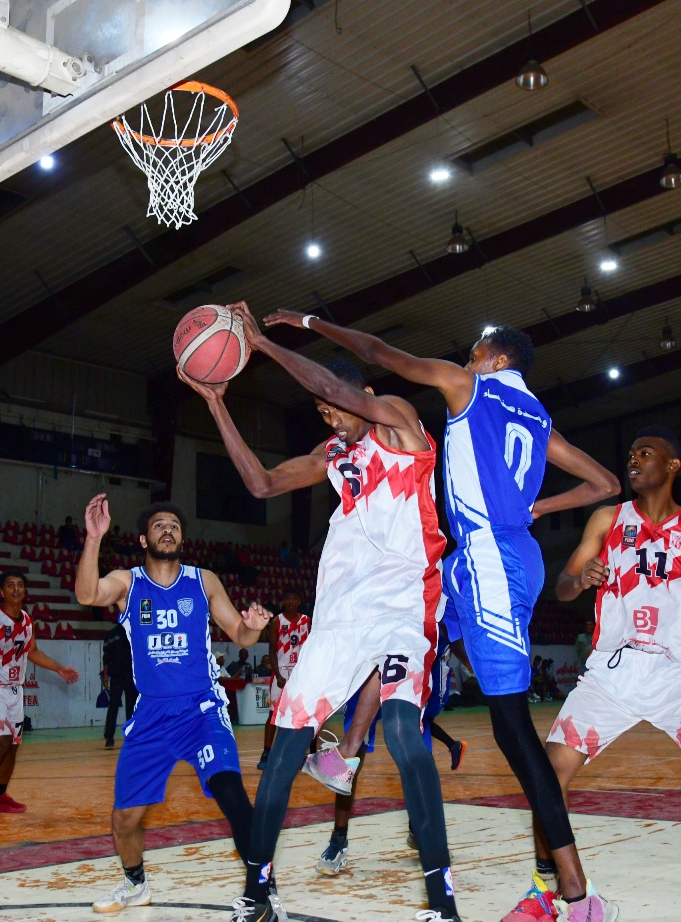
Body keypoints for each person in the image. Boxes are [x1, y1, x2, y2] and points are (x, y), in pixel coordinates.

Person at [265, 308, 620, 921]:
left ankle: (577, 893)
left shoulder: (470, 386)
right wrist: (535, 508)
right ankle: (349, 750)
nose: (467, 356)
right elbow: (604, 483)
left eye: (476, 349)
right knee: (404, 619)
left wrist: (312, 321)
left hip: (492, 563)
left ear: (498, 360)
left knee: (511, 726)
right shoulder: (538, 418)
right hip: (473, 561)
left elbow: (380, 353)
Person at [181, 304, 463, 922]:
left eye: (336, 407)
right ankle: (258, 891)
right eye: (324, 413)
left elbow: (336, 386)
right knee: (283, 750)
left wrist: (260, 343)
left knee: (400, 733)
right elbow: (260, 484)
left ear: (363, 396)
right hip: (336, 620)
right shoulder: (335, 454)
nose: (330, 414)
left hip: (400, 606)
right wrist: (216, 404)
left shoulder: (399, 422)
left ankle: (441, 900)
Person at [542, 427, 681, 921]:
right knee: (549, 777)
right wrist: (581, 579)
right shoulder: (607, 518)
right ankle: (541, 889)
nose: (634, 461)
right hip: (609, 675)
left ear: (672, 465)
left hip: (671, 676)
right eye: (632, 454)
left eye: (646, 454)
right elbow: (564, 587)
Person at [75, 496, 273, 915]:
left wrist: (252, 628)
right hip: (150, 716)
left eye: (175, 526)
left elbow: (239, 633)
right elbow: (88, 593)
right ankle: (135, 884)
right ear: (144, 538)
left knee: (231, 793)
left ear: (182, 538)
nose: (168, 530)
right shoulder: (128, 583)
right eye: (160, 525)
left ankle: (262, 893)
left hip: (201, 708)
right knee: (124, 820)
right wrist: (93, 538)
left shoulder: (203, 581)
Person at [317, 611, 468, 876]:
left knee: (418, 757)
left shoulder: (438, 589)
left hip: (413, 675)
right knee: (351, 758)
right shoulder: (378, 584)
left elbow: (453, 636)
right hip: (369, 675)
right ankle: (338, 839)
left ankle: (420, 830)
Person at [0, 571, 80, 822]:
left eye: (20, 585)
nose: (16, 589)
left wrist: (58, 667)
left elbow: (32, 651)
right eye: (10, 585)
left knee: (12, 746)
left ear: (25, 591)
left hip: (15, 690)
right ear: (1, 591)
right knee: (1, 743)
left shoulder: (26, 620)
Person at [259, 589, 311, 771]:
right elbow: (272, 650)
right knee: (274, 715)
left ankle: (306, 754)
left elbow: (311, 648)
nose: (291, 601)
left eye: (294, 597)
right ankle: (266, 752)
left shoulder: (306, 621)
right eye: (287, 598)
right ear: (283, 602)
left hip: (301, 674)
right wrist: (278, 674)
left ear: (299, 601)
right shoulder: (277, 621)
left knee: (303, 715)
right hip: (282, 673)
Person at [102, 621, 137, 749]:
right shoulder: (111, 634)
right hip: (116, 677)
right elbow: (106, 658)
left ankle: (131, 737)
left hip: (132, 676)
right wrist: (105, 676)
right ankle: (109, 737)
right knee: (113, 706)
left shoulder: (135, 632)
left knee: (132, 708)